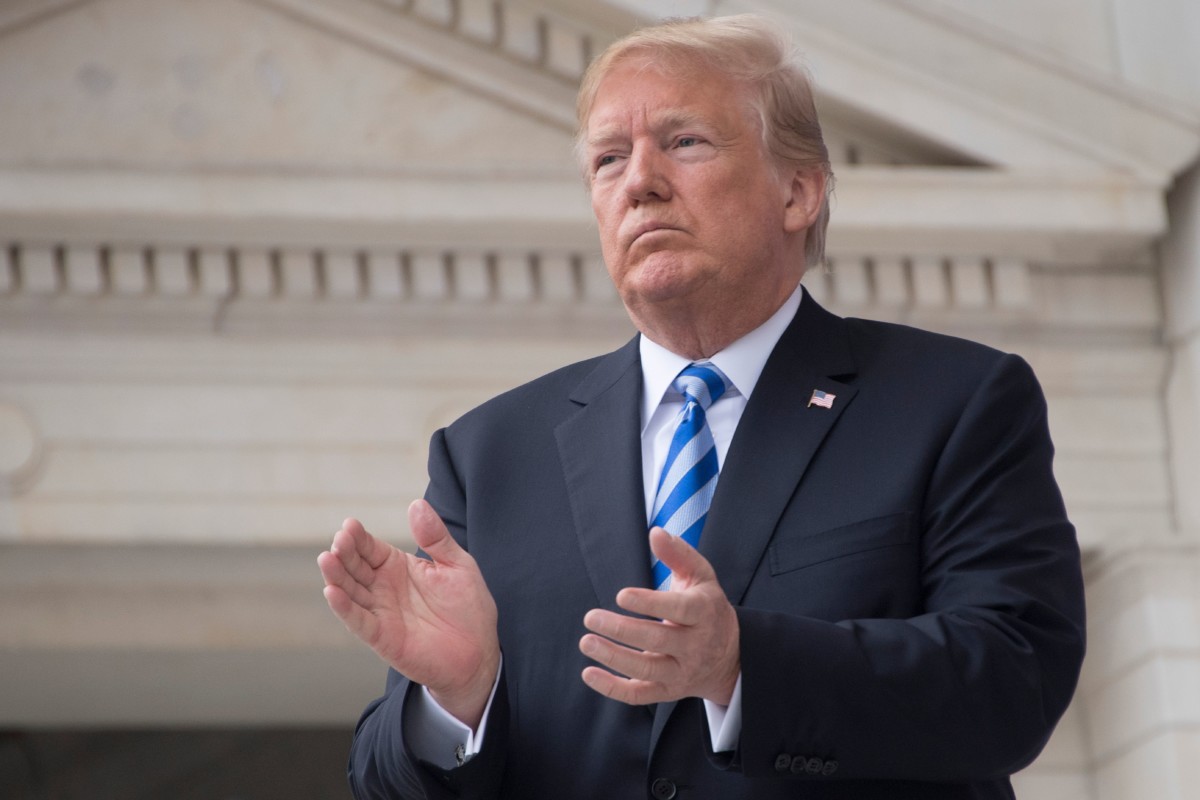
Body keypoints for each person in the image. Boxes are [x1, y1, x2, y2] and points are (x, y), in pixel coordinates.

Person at [318, 14, 1085, 800]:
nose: (639, 181)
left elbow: (1013, 679)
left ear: (799, 190)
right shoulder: (489, 454)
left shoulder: (955, 401)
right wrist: (458, 700)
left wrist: (742, 665)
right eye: (608, 159)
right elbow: (384, 785)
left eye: (684, 143)